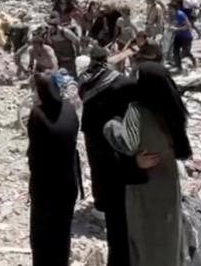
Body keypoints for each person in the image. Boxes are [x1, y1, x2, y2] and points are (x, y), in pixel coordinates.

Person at [104, 62, 192, 266]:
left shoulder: (136, 112)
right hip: (168, 184)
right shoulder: (174, 111)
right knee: (168, 235)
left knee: (145, 238)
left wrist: (112, 125)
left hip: (145, 186)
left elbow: (127, 144)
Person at [77, 46, 141, 266]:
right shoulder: (121, 81)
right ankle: (115, 206)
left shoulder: (85, 81)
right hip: (113, 134)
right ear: (107, 59)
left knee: (97, 169)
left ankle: (100, 204)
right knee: (114, 171)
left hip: (92, 132)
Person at [27, 72, 80, 266]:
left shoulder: (37, 114)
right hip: (68, 181)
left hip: (44, 185)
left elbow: (33, 150)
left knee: (41, 233)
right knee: (62, 230)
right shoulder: (69, 109)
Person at [170, 5, 196, 72]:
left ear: (174, 9)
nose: (169, 10)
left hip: (186, 36)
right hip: (178, 35)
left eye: (170, 8)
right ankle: (178, 66)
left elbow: (188, 26)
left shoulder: (180, 15)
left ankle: (194, 63)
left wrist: (177, 29)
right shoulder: (173, 15)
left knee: (186, 52)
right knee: (175, 51)